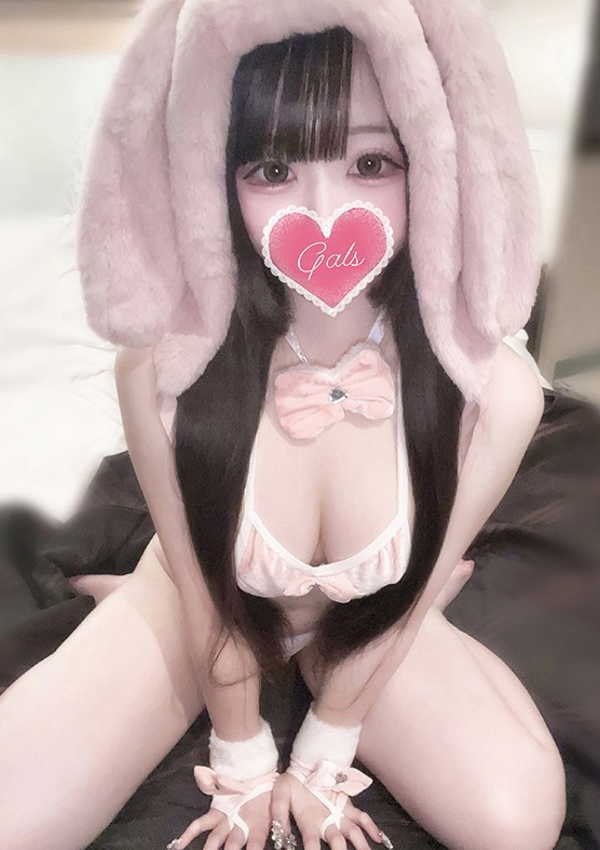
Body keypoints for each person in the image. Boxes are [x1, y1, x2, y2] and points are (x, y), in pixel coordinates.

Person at [0, 4, 567, 850]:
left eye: (371, 162)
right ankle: (145, 603)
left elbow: (404, 602)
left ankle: (320, 647)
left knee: (514, 828)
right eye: (272, 168)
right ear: (211, 179)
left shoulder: (494, 394)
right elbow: (207, 595)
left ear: (434, 164)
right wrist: (242, 761)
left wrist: (324, 752)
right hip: (205, 601)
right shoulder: (163, 374)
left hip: (367, 614)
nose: (325, 209)